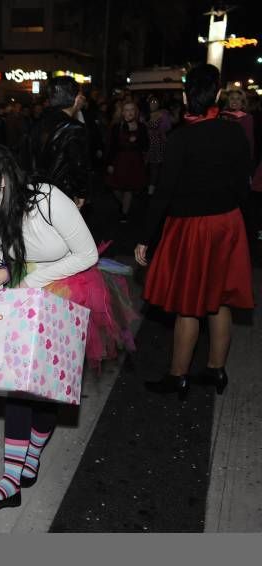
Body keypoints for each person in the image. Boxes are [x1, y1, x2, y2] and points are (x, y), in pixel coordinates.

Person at [0, 141, 133, 512]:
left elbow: (85, 254)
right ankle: (10, 481)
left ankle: (32, 453)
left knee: (49, 387)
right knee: (19, 386)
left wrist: (29, 279)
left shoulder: (46, 199)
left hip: (70, 290)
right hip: (21, 297)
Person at [135, 64, 253, 399]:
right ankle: (216, 369)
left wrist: (146, 237)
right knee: (221, 298)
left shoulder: (181, 138)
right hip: (227, 222)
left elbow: (164, 192)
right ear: (218, 95)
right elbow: (243, 181)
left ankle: (178, 376)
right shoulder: (234, 132)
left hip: (191, 227)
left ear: (187, 96)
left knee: (189, 303)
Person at [24, 76, 91, 208]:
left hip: (36, 190)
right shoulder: (74, 127)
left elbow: (28, 158)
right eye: (81, 95)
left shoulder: (37, 124)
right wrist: (82, 193)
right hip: (62, 193)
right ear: (76, 98)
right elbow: (78, 165)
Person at [105, 100, 148, 222]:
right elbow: (111, 146)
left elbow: (146, 146)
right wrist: (110, 163)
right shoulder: (117, 127)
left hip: (135, 160)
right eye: (127, 110)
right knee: (115, 188)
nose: (129, 112)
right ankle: (124, 204)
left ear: (136, 112)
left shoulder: (141, 127)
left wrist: (138, 140)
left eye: (132, 110)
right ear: (122, 112)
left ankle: (124, 213)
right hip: (119, 160)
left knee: (129, 188)